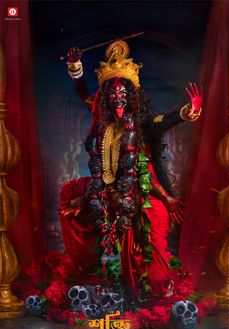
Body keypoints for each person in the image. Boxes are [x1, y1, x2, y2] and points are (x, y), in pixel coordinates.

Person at [60, 41, 202, 302]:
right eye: (112, 95)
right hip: (103, 188)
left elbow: (163, 122)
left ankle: (145, 285)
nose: (117, 99)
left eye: (122, 94)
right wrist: (75, 66)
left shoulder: (141, 122)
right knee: (69, 195)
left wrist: (186, 112)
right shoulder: (100, 118)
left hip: (138, 190)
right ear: (105, 98)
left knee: (152, 224)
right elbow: (82, 92)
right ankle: (92, 272)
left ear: (131, 96)